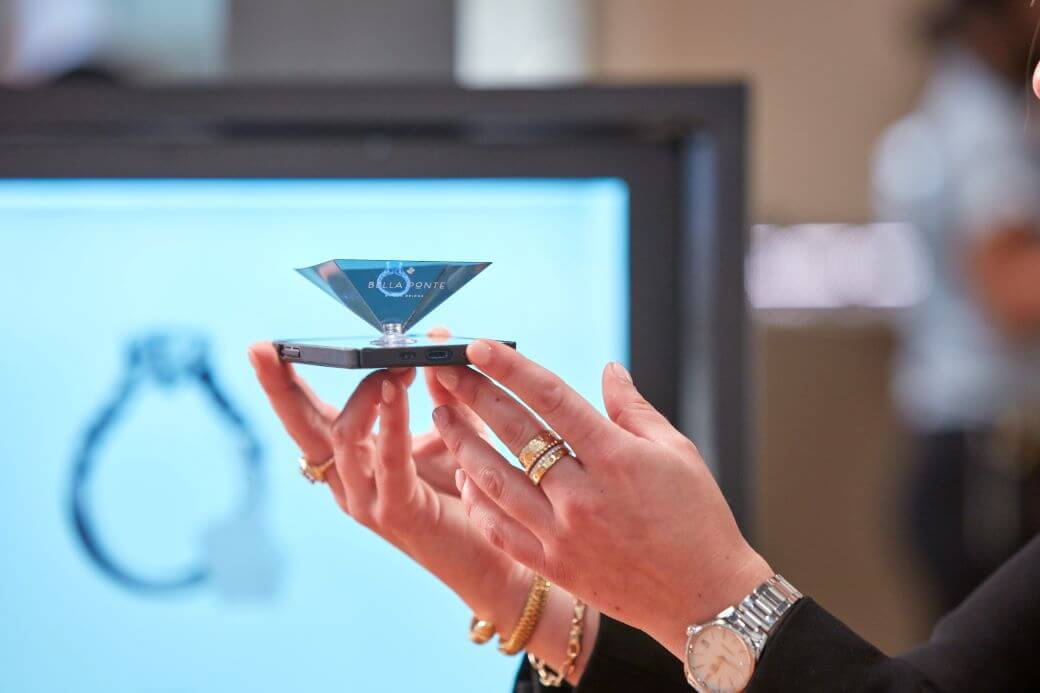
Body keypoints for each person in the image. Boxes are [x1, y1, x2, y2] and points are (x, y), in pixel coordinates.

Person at [873, 0, 1040, 611]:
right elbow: (1015, 291)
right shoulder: (985, 127)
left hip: (966, 452)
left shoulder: (950, 110)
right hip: (991, 462)